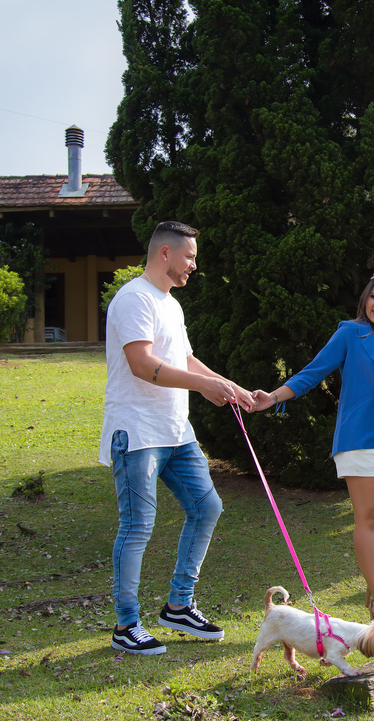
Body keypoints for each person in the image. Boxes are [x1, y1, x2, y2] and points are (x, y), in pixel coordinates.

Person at [252, 272, 374, 632]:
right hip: (364, 439)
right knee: (369, 518)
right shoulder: (350, 334)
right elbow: (312, 373)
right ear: (364, 299)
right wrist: (273, 397)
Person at [99, 220, 255, 655]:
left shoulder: (170, 304)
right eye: (189, 257)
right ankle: (126, 624)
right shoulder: (133, 298)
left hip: (175, 431)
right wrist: (203, 386)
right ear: (164, 253)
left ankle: (179, 606)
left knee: (207, 507)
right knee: (137, 526)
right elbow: (141, 364)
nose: (193, 266)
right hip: (137, 432)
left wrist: (231, 387)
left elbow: (184, 359)